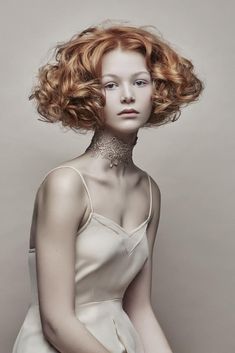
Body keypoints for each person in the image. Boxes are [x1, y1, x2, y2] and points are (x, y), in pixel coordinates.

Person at [12, 20, 204, 353]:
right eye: (110, 85)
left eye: (140, 82)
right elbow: (56, 323)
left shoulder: (149, 191)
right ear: (87, 92)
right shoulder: (66, 184)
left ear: (157, 90)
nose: (127, 95)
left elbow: (139, 310)